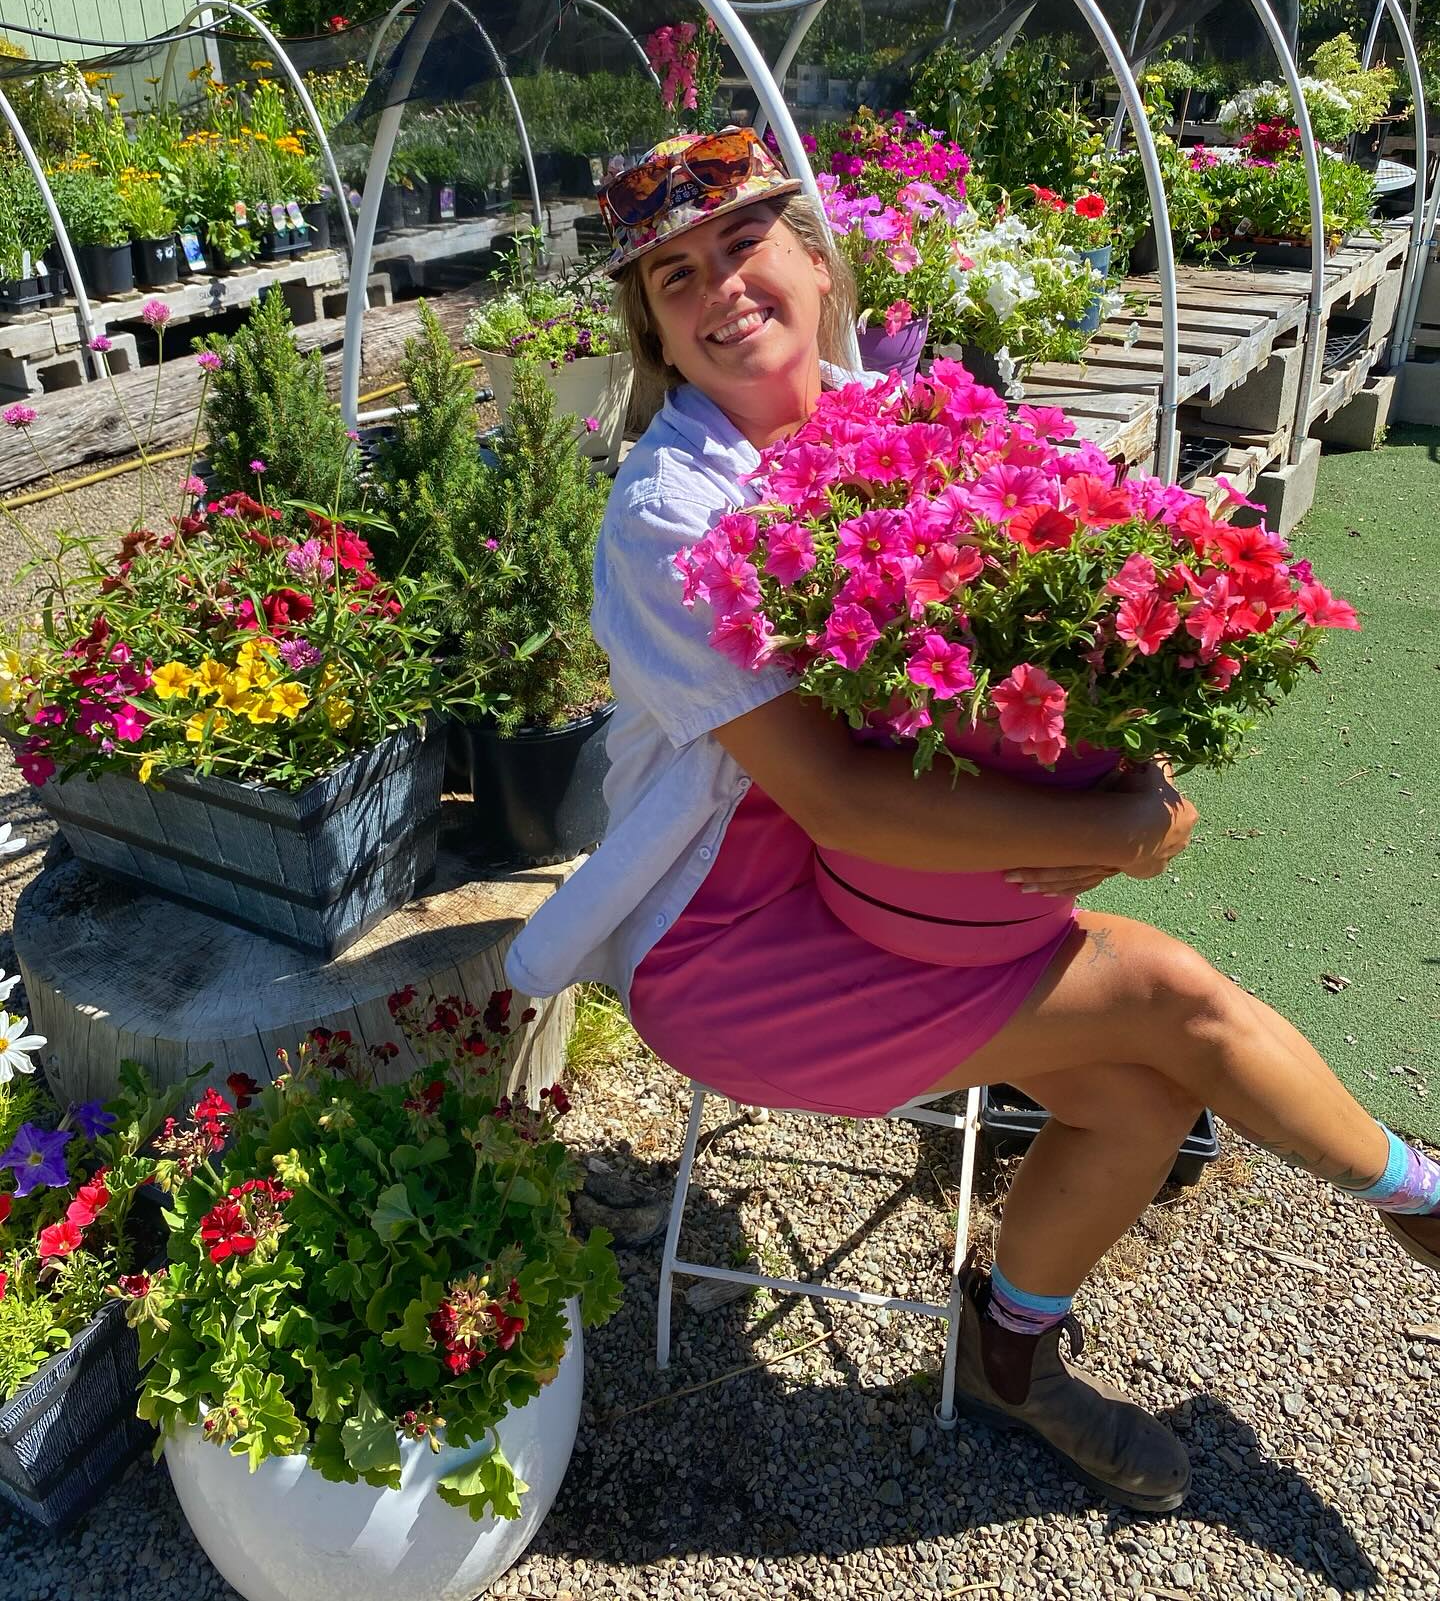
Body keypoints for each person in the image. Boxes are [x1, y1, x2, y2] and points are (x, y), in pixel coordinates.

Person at [505, 127, 1440, 1514]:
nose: (720, 288)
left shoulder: (899, 417)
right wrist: (1117, 833)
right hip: (728, 939)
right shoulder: (670, 508)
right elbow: (828, 790)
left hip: (886, 890)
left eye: (743, 243)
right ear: (653, 325)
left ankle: (1011, 1349)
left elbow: (1049, 640)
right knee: (1175, 1001)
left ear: (815, 259)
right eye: (675, 274)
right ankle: (1422, 1204)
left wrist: (1141, 772)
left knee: (1143, 1093)